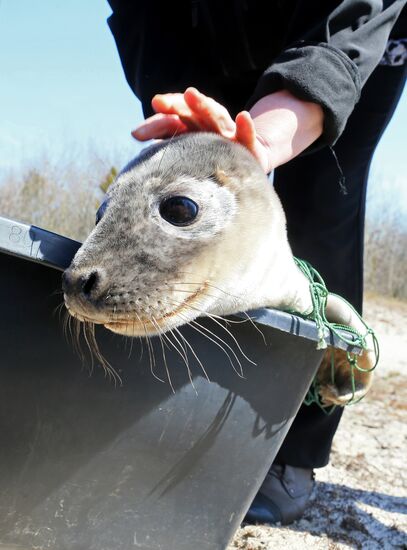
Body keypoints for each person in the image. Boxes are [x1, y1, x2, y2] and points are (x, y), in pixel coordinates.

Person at [107, 0, 406, 525]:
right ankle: (184, 408)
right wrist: (190, 117)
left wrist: (263, 144)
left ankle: (292, 451)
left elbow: (346, 28)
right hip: (207, 32)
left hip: (341, 34)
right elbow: (145, 18)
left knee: (321, 200)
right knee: (190, 207)